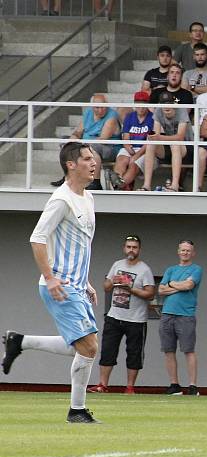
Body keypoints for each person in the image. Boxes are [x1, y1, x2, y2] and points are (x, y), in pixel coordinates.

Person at [2, 142, 101, 423]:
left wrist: (87, 280)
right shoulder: (61, 200)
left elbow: (77, 246)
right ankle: (77, 411)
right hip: (60, 285)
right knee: (89, 347)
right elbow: (37, 238)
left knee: (81, 346)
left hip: (77, 284)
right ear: (71, 165)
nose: (92, 163)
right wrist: (50, 277)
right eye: (85, 159)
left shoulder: (88, 198)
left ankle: (20, 342)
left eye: (92, 158)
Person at [87, 235, 155, 395]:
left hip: (136, 319)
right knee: (107, 351)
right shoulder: (117, 265)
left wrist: (130, 288)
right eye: (129, 247)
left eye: (135, 247)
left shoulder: (144, 269)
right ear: (124, 248)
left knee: (134, 353)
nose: (131, 250)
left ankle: (130, 387)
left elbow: (150, 294)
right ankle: (102, 385)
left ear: (139, 250)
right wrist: (113, 281)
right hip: (114, 316)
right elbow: (106, 287)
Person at [159, 240, 203, 396]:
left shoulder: (196, 269)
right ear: (178, 251)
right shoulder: (171, 269)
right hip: (167, 314)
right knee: (168, 350)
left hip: (186, 315)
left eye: (188, 251)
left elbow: (188, 286)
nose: (185, 253)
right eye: (183, 250)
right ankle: (174, 384)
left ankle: (192, 385)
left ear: (193, 253)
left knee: (188, 350)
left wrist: (172, 284)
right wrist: (177, 286)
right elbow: (161, 290)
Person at [141, 93, 193, 192]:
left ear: (174, 103)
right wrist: (154, 137)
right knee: (151, 144)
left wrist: (159, 137)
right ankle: (146, 186)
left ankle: (175, 185)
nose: (166, 106)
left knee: (175, 144)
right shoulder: (158, 111)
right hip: (169, 147)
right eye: (164, 103)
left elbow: (180, 137)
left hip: (188, 147)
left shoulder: (181, 111)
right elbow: (156, 135)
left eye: (169, 103)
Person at [68, 93, 120, 189]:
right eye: (97, 108)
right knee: (68, 145)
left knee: (91, 148)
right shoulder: (88, 112)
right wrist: (74, 137)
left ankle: (96, 182)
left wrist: (82, 145)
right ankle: (69, 178)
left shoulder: (112, 115)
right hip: (86, 144)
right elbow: (79, 130)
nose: (100, 110)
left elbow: (103, 139)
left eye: (103, 107)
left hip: (108, 147)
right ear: (92, 107)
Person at [108, 91, 155, 191]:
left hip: (145, 150)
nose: (141, 108)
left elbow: (150, 142)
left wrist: (136, 156)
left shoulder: (152, 118)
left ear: (148, 105)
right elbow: (125, 137)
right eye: (138, 105)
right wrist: (129, 149)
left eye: (144, 105)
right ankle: (117, 182)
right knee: (121, 160)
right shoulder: (129, 117)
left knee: (134, 165)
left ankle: (118, 186)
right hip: (131, 148)